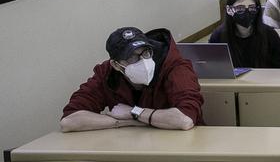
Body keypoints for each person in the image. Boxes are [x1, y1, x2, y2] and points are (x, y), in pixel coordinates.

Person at [61, 26, 203, 132]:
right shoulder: (106, 73)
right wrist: (126, 122)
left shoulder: (175, 67)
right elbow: (69, 121)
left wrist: (133, 112)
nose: (143, 61)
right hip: (133, 144)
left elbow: (185, 119)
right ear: (116, 65)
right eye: (132, 57)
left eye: (145, 52)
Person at [208, 0, 280, 68]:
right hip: (231, 81)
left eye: (252, 8)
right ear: (229, 10)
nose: (246, 12)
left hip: (265, 80)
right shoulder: (218, 36)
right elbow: (212, 67)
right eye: (240, 8)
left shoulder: (270, 34)